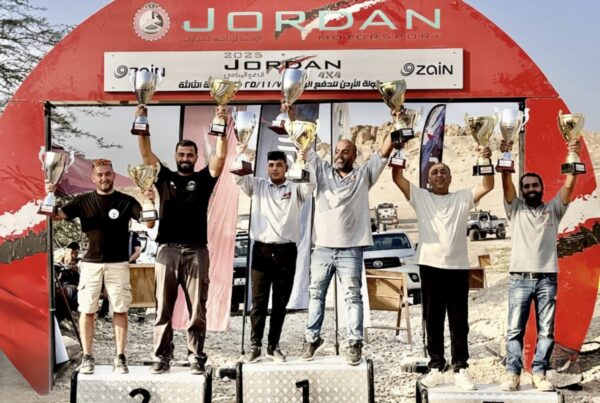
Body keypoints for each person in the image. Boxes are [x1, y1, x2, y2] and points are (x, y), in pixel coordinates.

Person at [135, 105, 228, 375]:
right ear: (175, 156)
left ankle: (196, 355)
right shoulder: (164, 177)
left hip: (197, 251)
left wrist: (221, 127)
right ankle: (161, 356)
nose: (185, 158)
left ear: (196, 157)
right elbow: (145, 153)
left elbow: (220, 157)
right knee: (162, 308)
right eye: (181, 154)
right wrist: (142, 121)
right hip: (167, 250)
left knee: (197, 308)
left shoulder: (204, 179)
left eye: (189, 154)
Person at [391, 147, 494, 390]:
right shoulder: (420, 197)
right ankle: (436, 367)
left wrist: (485, 158)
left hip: (458, 268)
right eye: (434, 172)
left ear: (450, 177)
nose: (439, 175)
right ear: (428, 179)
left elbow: (488, 185)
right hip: (430, 267)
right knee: (433, 320)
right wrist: (398, 149)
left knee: (459, 322)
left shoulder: (463, 197)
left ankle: (460, 368)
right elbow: (397, 178)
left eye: (443, 172)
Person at [300, 111, 394, 366]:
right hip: (322, 248)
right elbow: (303, 143)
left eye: (345, 152)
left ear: (354, 155)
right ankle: (312, 338)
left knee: (353, 296)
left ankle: (354, 343)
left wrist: (396, 124)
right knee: (316, 295)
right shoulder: (322, 172)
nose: (340, 155)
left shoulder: (364, 175)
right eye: (337, 151)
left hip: (351, 249)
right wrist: (291, 117)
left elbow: (383, 152)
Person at [46, 158, 155, 375]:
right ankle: (87, 357)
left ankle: (120, 357)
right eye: (100, 175)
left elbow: (149, 223)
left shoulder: (126, 201)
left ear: (113, 175)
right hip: (90, 264)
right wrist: (49, 193)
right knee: (87, 311)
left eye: (107, 174)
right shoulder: (83, 201)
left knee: (120, 310)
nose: (104, 178)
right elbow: (55, 216)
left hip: (118, 264)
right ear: (93, 178)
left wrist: (149, 201)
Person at [499, 139, 580, 392]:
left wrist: (573, 154)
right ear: (522, 191)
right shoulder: (515, 209)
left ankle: (539, 373)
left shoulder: (554, 210)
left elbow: (569, 184)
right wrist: (505, 154)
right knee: (514, 330)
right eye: (526, 186)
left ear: (542, 189)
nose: (531, 189)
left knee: (546, 331)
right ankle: (513, 374)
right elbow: (506, 184)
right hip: (519, 279)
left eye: (535, 185)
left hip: (547, 278)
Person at [234, 149, 315, 363]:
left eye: (279, 165)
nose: (275, 169)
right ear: (266, 167)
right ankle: (255, 346)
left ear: (286, 167)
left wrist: (303, 159)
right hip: (261, 250)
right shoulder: (257, 185)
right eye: (271, 165)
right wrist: (242, 153)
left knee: (280, 302)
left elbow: (311, 184)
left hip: (286, 251)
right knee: (258, 302)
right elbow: (238, 176)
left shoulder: (295, 186)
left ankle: (273, 346)